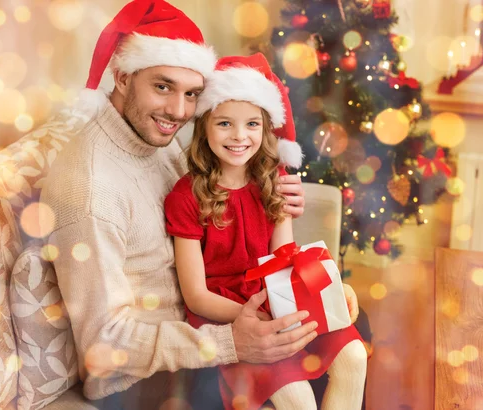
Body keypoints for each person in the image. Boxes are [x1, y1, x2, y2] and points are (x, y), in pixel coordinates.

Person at [40, 1, 350, 408]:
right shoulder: (90, 190)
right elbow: (105, 342)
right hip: (148, 378)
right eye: (162, 87)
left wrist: (279, 194)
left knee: (346, 330)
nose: (180, 111)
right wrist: (231, 342)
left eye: (192, 95)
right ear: (120, 76)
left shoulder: (154, 137)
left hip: (204, 322)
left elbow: (226, 177)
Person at [164, 54, 368, 410]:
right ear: (205, 126)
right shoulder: (185, 196)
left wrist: (329, 289)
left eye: (252, 124)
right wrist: (256, 318)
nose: (240, 136)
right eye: (225, 123)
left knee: (354, 356)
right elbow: (196, 296)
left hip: (276, 297)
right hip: (226, 311)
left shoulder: (273, 184)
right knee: (297, 397)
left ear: (265, 127)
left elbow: (285, 259)